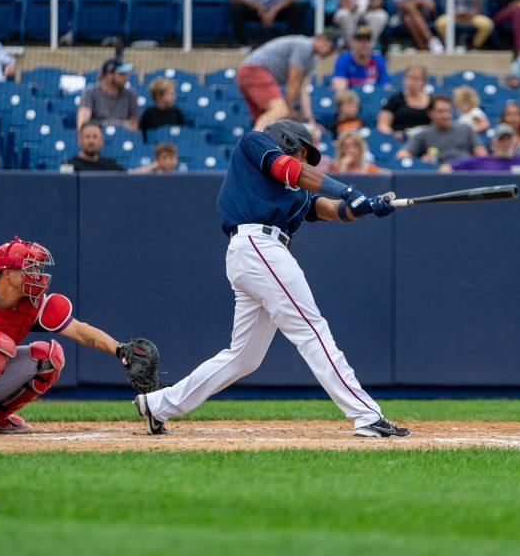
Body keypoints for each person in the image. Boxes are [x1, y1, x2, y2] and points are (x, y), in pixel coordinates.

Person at [133, 120, 407, 437]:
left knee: (244, 357)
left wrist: (369, 206)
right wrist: (349, 191)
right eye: (303, 153)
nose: (305, 161)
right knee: (312, 328)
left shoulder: (295, 190)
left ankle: (159, 404)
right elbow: (291, 170)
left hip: (255, 254)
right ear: (287, 140)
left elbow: (332, 209)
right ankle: (366, 414)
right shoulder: (255, 144)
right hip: (256, 245)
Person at [235, 29, 337, 129]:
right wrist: (290, 110)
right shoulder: (305, 46)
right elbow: (292, 82)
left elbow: (302, 91)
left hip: (249, 72)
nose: (331, 53)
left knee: (270, 122)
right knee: (280, 111)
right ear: (322, 39)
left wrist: (310, 120)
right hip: (254, 71)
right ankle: (254, 143)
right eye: (331, 47)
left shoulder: (312, 59)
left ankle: (257, 143)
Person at [396, 94, 487, 165]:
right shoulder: (422, 134)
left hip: (464, 173)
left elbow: (482, 154)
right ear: (430, 113)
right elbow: (402, 155)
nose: (446, 116)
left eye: (448, 111)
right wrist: (419, 162)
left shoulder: (465, 129)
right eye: (441, 112)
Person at [77, 58, 140, 132]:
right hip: (97, 137)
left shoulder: (131, 94)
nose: (126, 78)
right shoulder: (90, 92)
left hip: (120, 137)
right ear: (109, 75)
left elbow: (134, 125)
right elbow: (83, 124)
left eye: (126, 74)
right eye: (121, 74)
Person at [441, 124, 520, 173]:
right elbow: (447, 167)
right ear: (493, 143)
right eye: (502, 139)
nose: (506, 143)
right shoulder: (481, 161)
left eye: (509, 139)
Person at [377, 65, 432, 139]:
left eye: (416, 79)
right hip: (400, 140)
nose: (412, 82)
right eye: (409, 78)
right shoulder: (394, 99)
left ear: (424, 82)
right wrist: (394, 135)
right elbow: (383, 125)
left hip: (425, 141)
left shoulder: (432, 101)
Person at [331, 25, 390, 92]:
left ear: (372, 43)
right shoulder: (343, 60)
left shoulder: (379, 60)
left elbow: (385, 88)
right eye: (359, 40)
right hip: (351, 100)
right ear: (352, 42)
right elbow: (339, 88)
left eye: (367, 40)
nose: (363, 44)